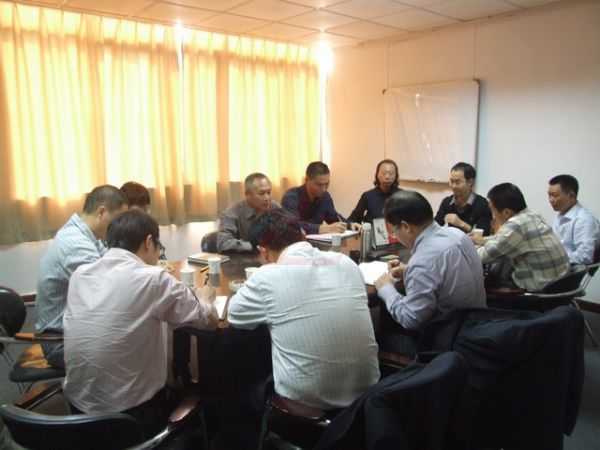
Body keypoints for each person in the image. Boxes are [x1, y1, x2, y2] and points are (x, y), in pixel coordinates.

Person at [63, 210, 217, 436]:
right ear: (148, 242)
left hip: (77, 413)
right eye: (159, 248)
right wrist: (205, 297)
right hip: (130, 419)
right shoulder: (153, 278)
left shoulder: (80, 275)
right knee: (191, 395)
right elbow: (206, 320)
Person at [228, 208, 380, 410]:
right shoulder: (346, 263)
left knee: (246, 386)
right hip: (368, 397)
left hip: (307, 404)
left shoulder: (267, 277)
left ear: (263, 251)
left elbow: (234, 315)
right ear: (302, 234)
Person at [374, 190, 486, 354]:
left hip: (448, 345)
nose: (395, 237)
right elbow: (443, 273)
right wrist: (409, 271)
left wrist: (386, 289)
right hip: (479, 328)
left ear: (406, 227)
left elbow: (410, 319)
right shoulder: (458, 235)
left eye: (394, 231)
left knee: (379, 335)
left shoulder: (424, 260)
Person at [35, 185, 128, 368]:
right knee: (136, 340)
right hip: (59, 342)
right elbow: (107, 290)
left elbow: (113, 265)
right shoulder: (75, 244)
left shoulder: (88, 236)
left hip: (75, 330)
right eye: (118, 220)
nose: (119, 227)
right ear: (102, 212)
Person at [472, 183, 569, 291]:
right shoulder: (532, 215)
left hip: (542, 289)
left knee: (492, 274)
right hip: (561, 283)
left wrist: (466, 247)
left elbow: (482, 257)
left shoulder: (515, 225)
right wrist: (482, 240)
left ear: (506, 212)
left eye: (492, 210)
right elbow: (504, 239)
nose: (493, 216)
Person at [282, 161, 359, 234]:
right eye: (319, 185)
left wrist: (349, 225)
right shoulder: (291, 197)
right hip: (296, 242)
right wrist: (321, 228)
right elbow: (292, 226)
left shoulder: (325, 196)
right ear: (307, 180)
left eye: (327, 184)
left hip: (317, 242)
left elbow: (334, 218)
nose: (324, 189)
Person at [216, 173, 280, 252]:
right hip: (245, 257)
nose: (267, 198)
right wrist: (253, 246)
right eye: (261, 193)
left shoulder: (275, 208)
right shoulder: (231, 213)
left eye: (269, 192)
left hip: (271, 256)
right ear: (247, 194)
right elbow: (223, 243)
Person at [548, 174, 600, 265]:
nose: (551, 200)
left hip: (576, 271)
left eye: (555, 195)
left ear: (571, 195)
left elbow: (585, 256)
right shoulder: (559, 217)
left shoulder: (583, 220)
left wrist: (555, 260)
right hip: (561, 267)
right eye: (549, 195)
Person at [435, 162, 492, 235]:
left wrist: (461, 224)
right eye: (451, 181)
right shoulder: (447, 202)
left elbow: (483, 235)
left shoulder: (482, 204)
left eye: (457, 182)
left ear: (470, 182)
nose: (453, 186)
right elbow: (435, 228)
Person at [348, 159, 400, 224]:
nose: (387, 177)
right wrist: (352, 225)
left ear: (396, 176)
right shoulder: (368, 196)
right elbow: (352, 219)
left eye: (391, 174)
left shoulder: (403, 196)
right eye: (383, 173)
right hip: (372, 230)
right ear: (377, 175)